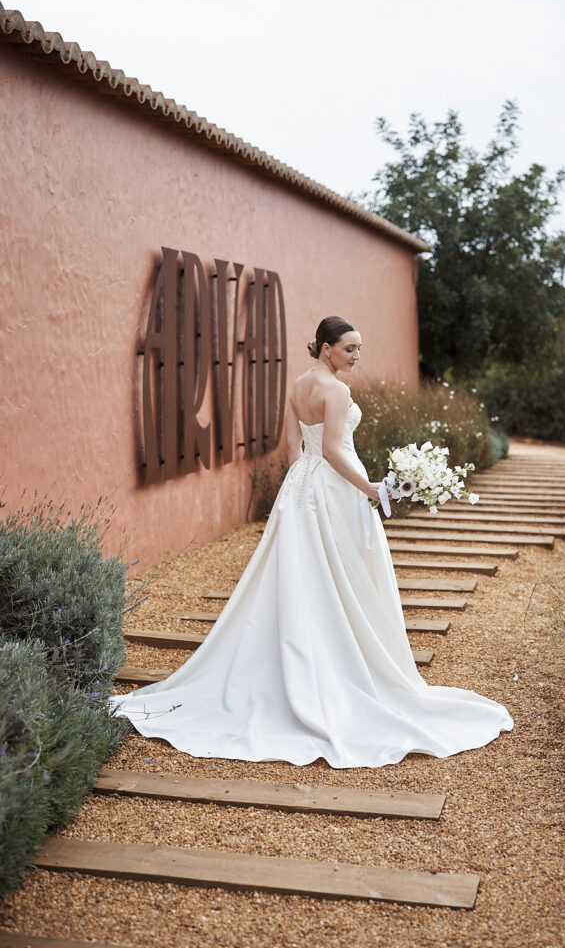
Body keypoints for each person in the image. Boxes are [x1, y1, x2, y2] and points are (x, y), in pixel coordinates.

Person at [110, 316, 513, 768]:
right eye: (349, 349)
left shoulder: (299, 384)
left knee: (304, 571)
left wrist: (301, 487)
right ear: (325, 348)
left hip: (301, 486)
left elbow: (296, 449)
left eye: (360, 348)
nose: (356, 356)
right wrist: (372, 489)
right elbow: (337, 451)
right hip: (334, 490)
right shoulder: (336, 390)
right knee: (340, 572)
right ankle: (338, 664)